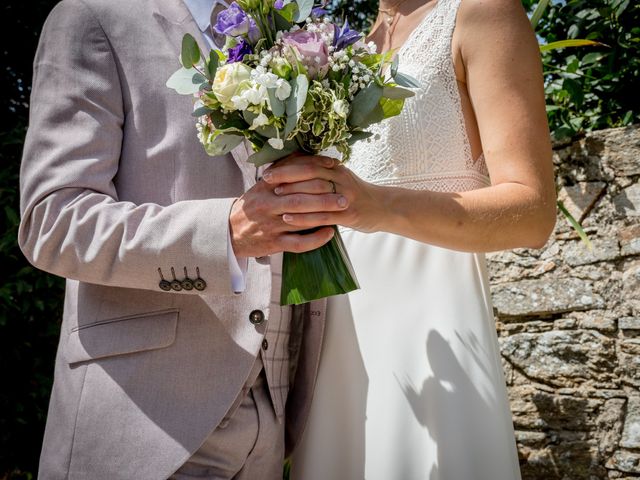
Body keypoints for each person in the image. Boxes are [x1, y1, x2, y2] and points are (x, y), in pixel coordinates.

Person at [18, 0, 346, 478]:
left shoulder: (289, 31)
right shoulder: (93, 16)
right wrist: (225, 233)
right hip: (145, 424)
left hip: (274, 421)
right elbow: (53, 221)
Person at [266, 0, 556, 478]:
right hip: (336, 333)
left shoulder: (483, 13)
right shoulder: (346, 48)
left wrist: (378, 206)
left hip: (431, 319)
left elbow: (533, 212)